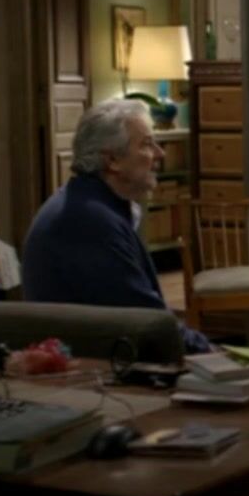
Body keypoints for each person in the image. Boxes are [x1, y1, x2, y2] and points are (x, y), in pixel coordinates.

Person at [23, 99, 213, 353]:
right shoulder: (89, 221)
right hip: (95, 368)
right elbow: (148, 325)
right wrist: (213, 353)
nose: (160, 154)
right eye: (146, 144)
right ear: (112, 160)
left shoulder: (88, 204)